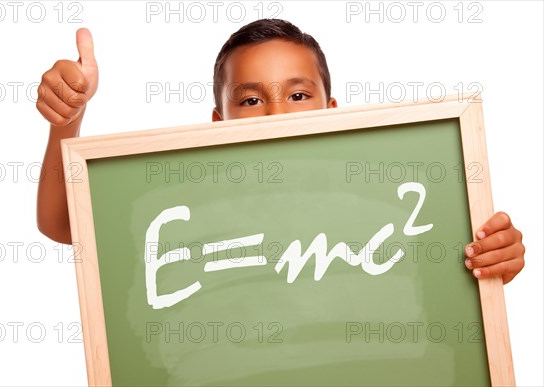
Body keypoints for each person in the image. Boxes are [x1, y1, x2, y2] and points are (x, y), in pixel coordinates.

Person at [36, 19, 525, 284]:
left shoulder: (391, 201)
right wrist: (68, 120)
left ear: (331, 109)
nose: (275, 115)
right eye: (249, 100)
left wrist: (493, 257)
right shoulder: (183, 202)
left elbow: (447, 268)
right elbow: (62, 223)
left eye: (297, 95)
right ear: (218, 121)